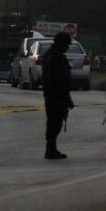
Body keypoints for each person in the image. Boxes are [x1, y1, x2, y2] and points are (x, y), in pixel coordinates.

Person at [41, 31, 74, 160]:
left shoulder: (55, 56)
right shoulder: (54, 57)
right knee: (54, 123)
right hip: (55, 96)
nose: (67, 47)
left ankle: (51, 148)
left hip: (57, 95)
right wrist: (60, 97)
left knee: (55, 122)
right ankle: (51, 149)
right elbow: (55, 80)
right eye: (66, 44)